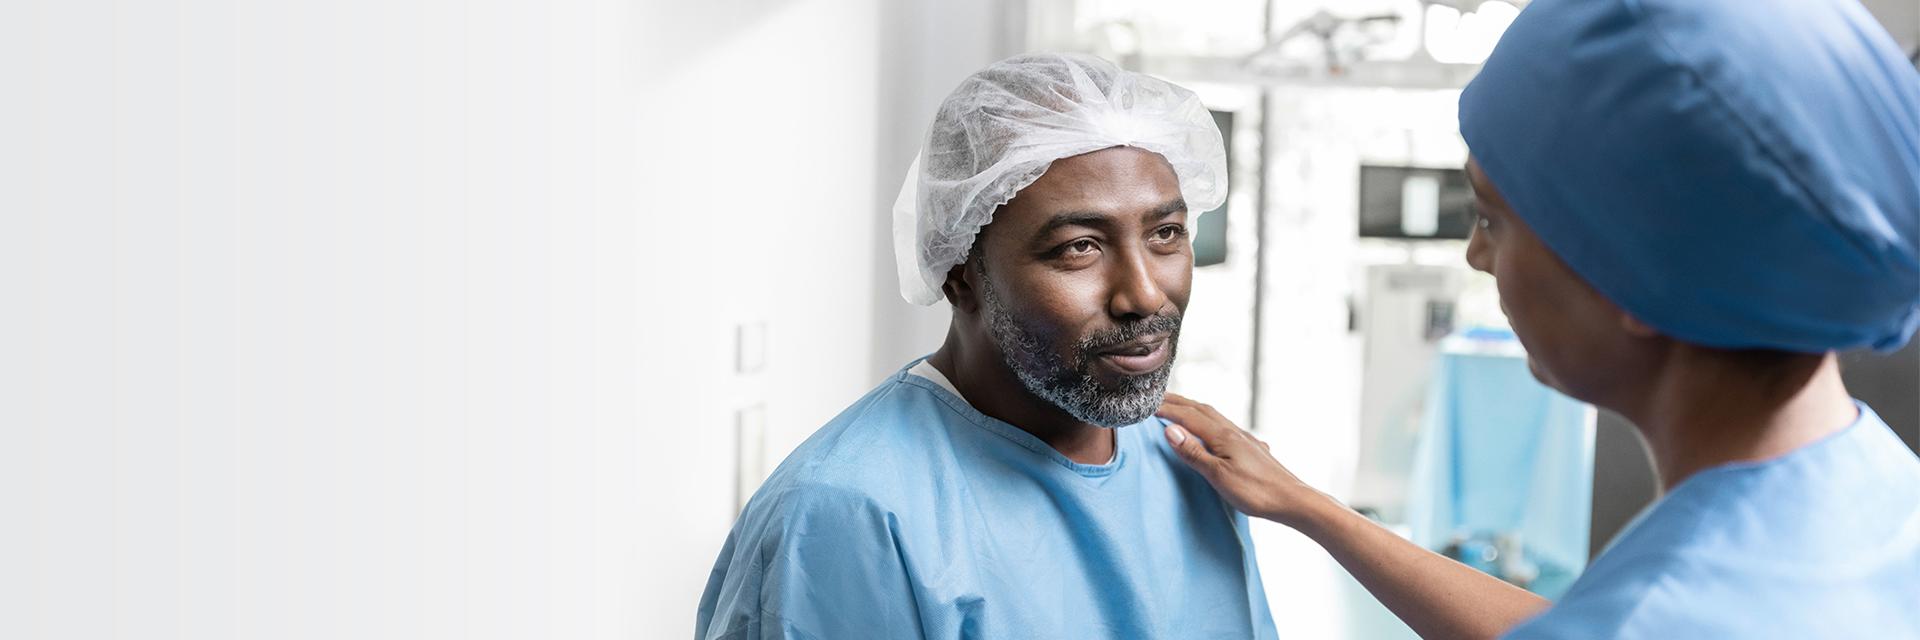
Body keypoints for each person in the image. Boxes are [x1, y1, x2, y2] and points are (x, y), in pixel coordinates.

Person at [1158, 0, 1920, 637]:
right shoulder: (1870, 484)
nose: (1475, 256)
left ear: (1628, 271)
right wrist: (1312, 508)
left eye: (1492, 217)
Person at [695, 53, 1279, 639]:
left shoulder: (1191, 463)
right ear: (959, 274)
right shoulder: (849, 515)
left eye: (1165, 234)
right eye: (1079, 247)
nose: (1146, 295)